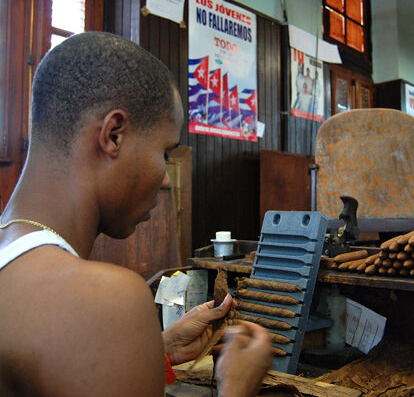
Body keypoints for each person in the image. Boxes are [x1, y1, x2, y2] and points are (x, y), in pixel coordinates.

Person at [0, 32, 272, 396]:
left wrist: (156, 350)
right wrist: (237, 386)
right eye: (164, 152)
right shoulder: (105, 299)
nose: (164, 180)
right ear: (113, 135)